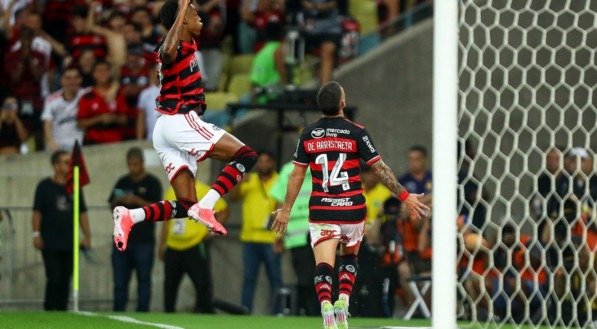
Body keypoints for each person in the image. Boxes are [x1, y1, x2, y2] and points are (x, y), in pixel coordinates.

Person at [271, 81, 429, 329]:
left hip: (323, 208)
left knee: (323, 263)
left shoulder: (308, 134)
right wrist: (406, 196)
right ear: (343, 103)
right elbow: (379, 169)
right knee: (349, 257)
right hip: (352, 209)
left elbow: (297, 175)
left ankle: (326, 305)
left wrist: (286, 210)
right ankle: (343, 300)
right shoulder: (356, 132)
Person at [112, 0, 258, 253]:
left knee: (187, 204)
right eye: (193, 12)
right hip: (180, 119)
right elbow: (166, 53)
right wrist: (181, 10)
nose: (199, 15)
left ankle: (130, 216)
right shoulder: (173, 46)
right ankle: (208, 205)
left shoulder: (187, 45)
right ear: (182, 18)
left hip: (166, 128)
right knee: (246, 155)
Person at [32, 150, 92, 311]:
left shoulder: (75, 186)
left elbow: (82, 212)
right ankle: (50, 308)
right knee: (54, 276)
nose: (70, 165)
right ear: (56, 165)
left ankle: (62, 310)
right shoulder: (44, 186)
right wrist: (36, 234)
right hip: (50, 241)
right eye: (66, 162)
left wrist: (87, 235)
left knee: (66, 277)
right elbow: (37, 212)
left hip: (70, 241)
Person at [159, 180, 229, 313]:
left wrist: (212, 232)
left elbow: (224, 209)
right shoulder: (171, 191)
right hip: (173, 246)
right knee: (170, 286)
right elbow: (166, 220)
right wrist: (162, 243)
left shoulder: (205, 191)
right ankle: (168, 316)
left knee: (202, 284)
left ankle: (206, 314)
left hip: (195, 245)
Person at [108, 147, 162, 312]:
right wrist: (119, 200)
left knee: (144, 280)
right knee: (119, 282)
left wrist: (137, 200)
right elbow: (111, 205)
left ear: (142, 163)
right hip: (122, 240)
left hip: (143, 241)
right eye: (130, 165)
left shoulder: (153, 183)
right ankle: (118, 314)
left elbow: (157, 209)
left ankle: (143, 314)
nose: (133, 168)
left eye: (136, 164)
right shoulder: (122, 182)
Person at [230, 151, 282, 314]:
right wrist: (239, 182)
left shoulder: (280, 180)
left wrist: (280, 237)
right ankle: (245, 311)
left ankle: (278, 313)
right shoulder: (250, 179)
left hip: (270, 238)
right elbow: (232, 198)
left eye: (267, 161)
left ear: (273, 163)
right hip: (250, 238)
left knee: (275, 278)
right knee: (249, 278)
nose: (263, 165)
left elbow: (283, 209)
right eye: (260, 162)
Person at [269, 161, 318, 316]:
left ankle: (307, 311)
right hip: (318, 231)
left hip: (301, 234)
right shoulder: (326, 164)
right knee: (316, 275)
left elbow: (279, 201)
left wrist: (278, 234)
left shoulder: (289, 169)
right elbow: (279, 201)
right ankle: (313, 312)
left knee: (306, 277)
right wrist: (279, 234)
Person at [42, 66, 87, 151]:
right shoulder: (51, 99)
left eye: (76, 78)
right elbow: (47, 123)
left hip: (82, 145)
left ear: (81, 80)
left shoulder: (87, 94)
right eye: (68, 78)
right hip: (58, 145)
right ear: (62, 81)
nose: (72, 81)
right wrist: (51, 142)